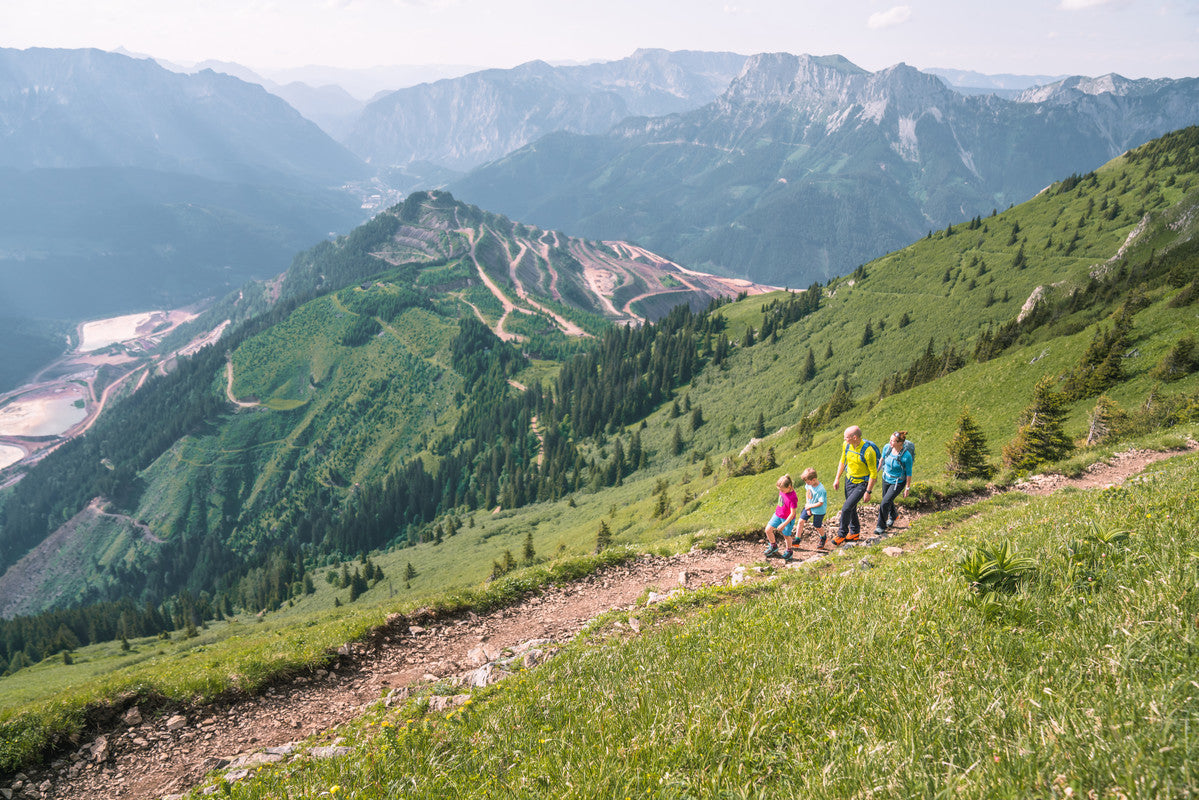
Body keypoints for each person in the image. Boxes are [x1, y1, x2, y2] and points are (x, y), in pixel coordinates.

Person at [831, 425, 877, 545]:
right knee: (851, 508)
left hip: (862, 483)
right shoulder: (846, 445)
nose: (844, 439)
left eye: (846, 437)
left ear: (854, 437)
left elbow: (873, 473)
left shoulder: (868, 451)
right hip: (849, 480)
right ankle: (855, 533)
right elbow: (842, 461)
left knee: (846, 508)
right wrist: (837, 478)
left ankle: (841, 534)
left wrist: (868, 491)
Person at [875, 431, 913, 535]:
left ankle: (880, 526)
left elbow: (909, 473)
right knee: (887, 499)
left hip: (898, 481)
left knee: (884, 503)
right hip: (886, 478)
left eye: (893, 441)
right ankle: (893, 515)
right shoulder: (887, 448)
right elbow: (882, 460)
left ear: (900, 443)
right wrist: (875, 473)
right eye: (890, 440)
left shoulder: (906, 456)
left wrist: (907, 488)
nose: (890, 442)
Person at [763, 473, 799, 560]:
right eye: (780, 490)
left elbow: (792, 513)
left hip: (787, 519)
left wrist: (784, 524)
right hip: (777, 514)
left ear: (789, 486)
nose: (781, 491)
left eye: (782, 490)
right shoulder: (783, 490)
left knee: (786, 535)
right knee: (768, 530)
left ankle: (789, 551)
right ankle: (773, 546)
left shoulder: (793, 498)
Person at [794, 467, 828, 549]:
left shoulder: (821, 490)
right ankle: (797, 540)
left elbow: (821, 503)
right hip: (809, 505)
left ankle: (823, 538)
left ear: (814, 480)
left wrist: (810, 506)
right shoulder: (809, 485)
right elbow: (808, 493)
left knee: (817, 526)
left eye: (808, 482)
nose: (807, 484)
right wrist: (808, 505)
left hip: (819, 510)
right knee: (801, 521)